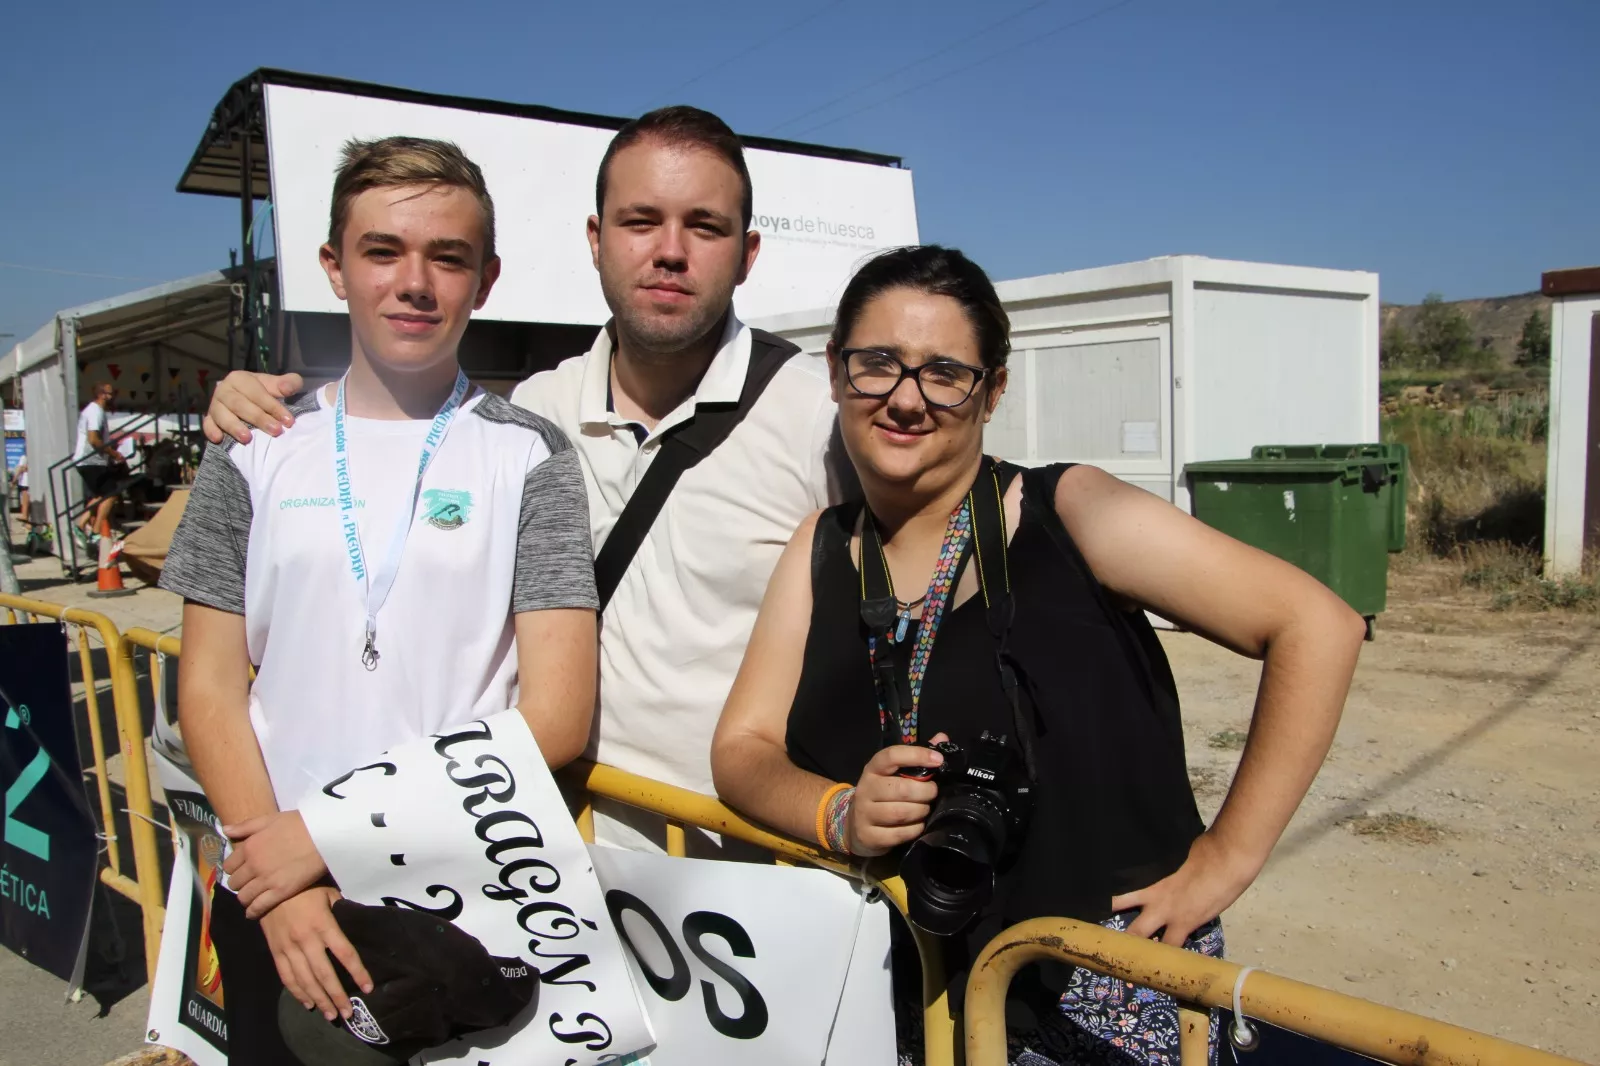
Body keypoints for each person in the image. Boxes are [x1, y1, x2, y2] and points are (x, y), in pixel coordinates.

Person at [711, 245, 1366, 1065]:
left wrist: (1226, 858)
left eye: (944, 372)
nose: (906, 399)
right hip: (907, 986)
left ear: (993, 391)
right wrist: (839, 812)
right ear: (838, 374)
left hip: (1098, 993)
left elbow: (1317, 626)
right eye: (876, 363)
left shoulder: (1068, 510)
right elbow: (741, 752)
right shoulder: (822, 548)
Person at [202, 106, 851, 856]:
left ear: (747, 252)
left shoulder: (821, 420)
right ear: (596, 240)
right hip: (543, 845)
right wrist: (249, 415)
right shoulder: (538, 412)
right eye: (640, 221)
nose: (670, 252)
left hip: (743, 861)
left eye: (705, 227)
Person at [162, 135, 599, 1065]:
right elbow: (206, 685)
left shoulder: (530, 457)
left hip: (456, 898)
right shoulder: (253, 446)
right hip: (276, 895)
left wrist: (315, 839)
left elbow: (556, 717)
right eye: (383, 251)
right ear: (333, 267)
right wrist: (283, 887)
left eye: (448, 257)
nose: (415, 282)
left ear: (485, 280)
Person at [72, 381, 124, 546]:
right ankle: (94, 532)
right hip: (90, 460)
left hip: (89, 460)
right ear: (102, 395)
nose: (113, 397)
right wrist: (114, 453)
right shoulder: (95, 411)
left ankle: (80, 526)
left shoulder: (94, 410)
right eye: (110, 394)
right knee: (112, 492)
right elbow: (93, 439)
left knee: (99, 495)